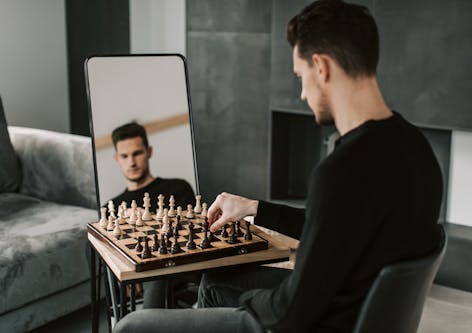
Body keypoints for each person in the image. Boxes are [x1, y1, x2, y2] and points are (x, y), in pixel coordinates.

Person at [113, 1, 442, 332]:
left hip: (317, 323)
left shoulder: (341, 172)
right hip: (355, 310)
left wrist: (247, 301)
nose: (302, 94)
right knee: (215, 280)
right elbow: (331, 226)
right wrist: (254, 208)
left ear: (322, 67)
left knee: (134, 326)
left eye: (301, 76)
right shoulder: (415, 149)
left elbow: (290, 312)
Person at [109, 122, 197, 308]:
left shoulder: (177, 188)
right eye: (124, 156)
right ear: (116, 159)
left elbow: (190, 234)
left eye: (137, 153)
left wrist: (151, 219)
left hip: (176, 269)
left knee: (157, 270)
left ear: (149, 151)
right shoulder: (112, 208)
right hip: (133, 280)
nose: (131, 162)